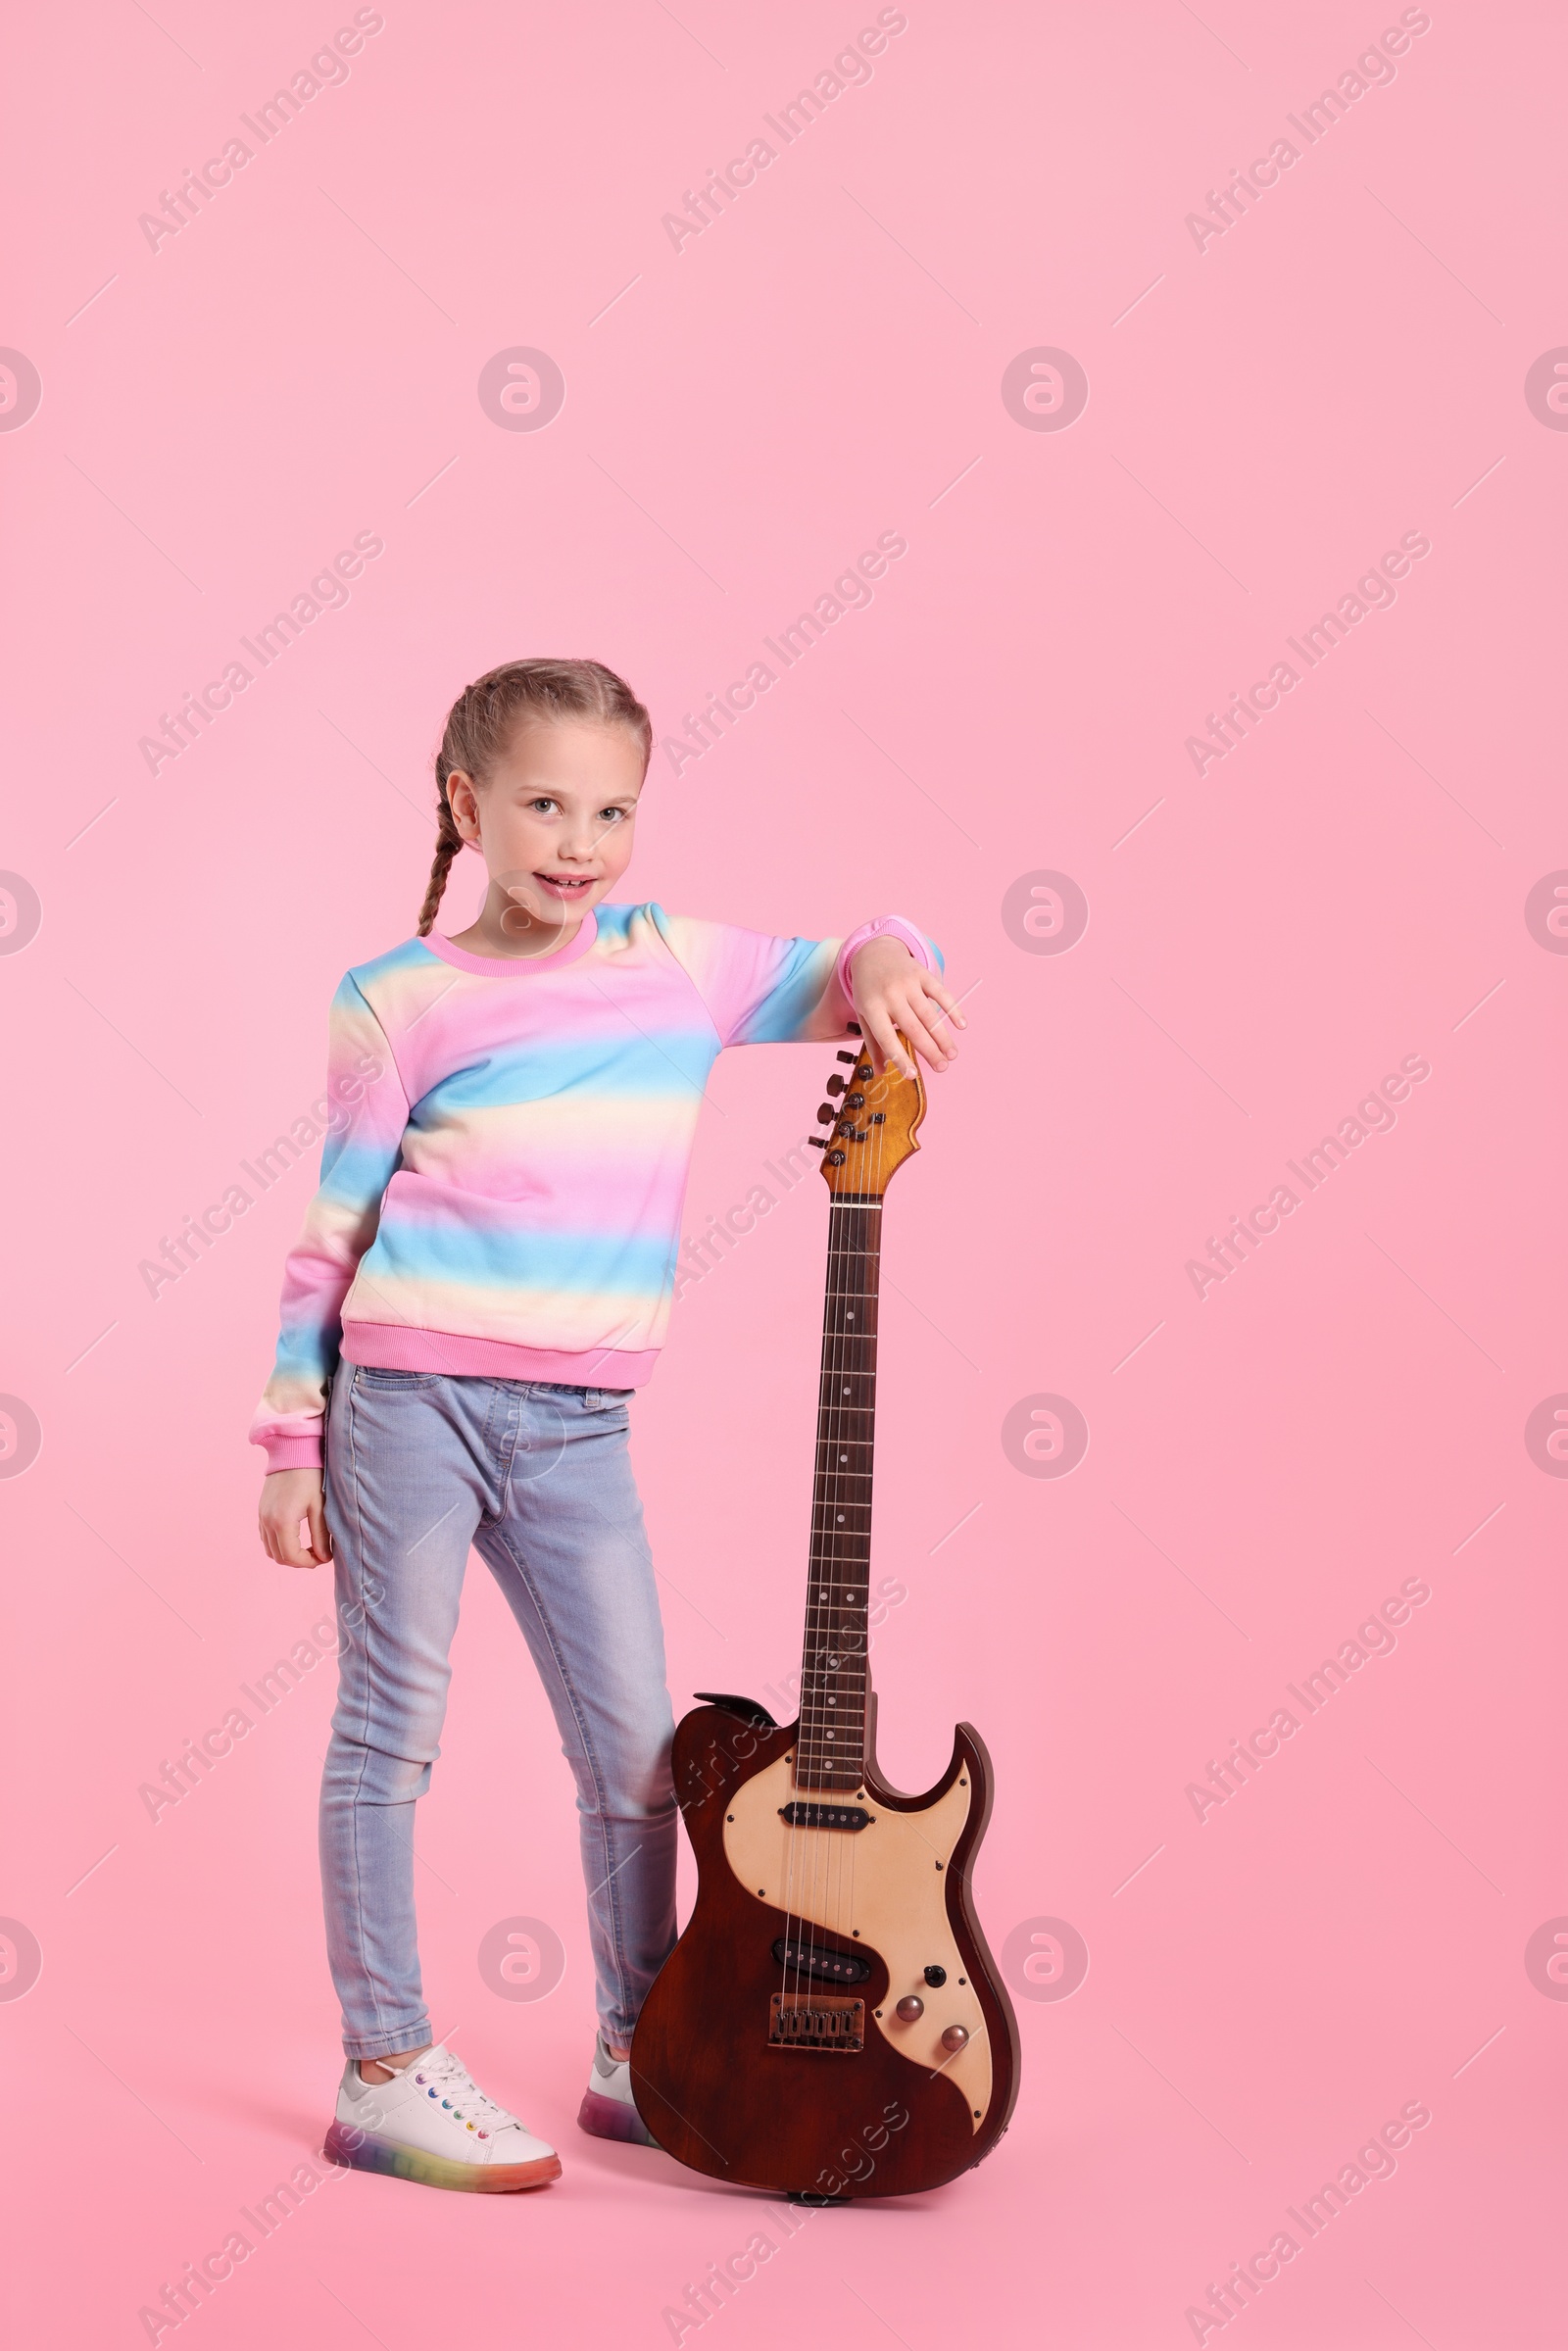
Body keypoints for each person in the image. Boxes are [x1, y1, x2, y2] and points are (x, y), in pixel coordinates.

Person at [252, 657, 959, 2192]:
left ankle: (641, 2044)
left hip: (578, 1431)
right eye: (546, 803)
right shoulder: (395, 998)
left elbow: (863, 957)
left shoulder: (677, 967)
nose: (580, 840)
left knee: (643, 1761)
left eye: (613, 808)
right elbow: (333, 1228)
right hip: (411, 1405)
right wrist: (292, 1440)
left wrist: (896, 955)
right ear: (469, 806)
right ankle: (386, 2066)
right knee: (393, 1732)